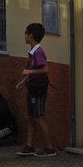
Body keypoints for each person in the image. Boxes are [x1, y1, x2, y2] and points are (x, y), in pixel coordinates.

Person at [15, 22, 56, 157]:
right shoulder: (32, 51)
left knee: (38, 117)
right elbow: (32, 69)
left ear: (30, 36)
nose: (25, 36)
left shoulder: (38, 52)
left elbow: (45, 69)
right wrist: (23, 81)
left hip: (38, 88)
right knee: (31, 117)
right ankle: (29, 145)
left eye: (25, 33)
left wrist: (27, 72)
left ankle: (49, 147)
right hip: (31, 86)